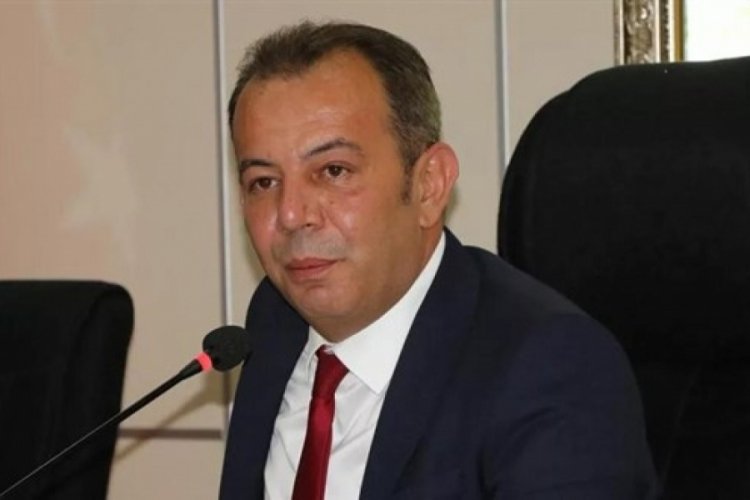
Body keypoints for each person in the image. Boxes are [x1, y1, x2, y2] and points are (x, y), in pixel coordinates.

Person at [219, 21, 657, 500]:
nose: (290, 215)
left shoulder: (550, 368)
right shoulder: (275, 323)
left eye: (333, 171)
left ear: (429, 185)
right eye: (263, 182)